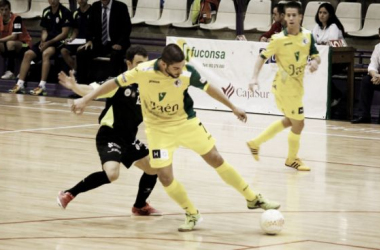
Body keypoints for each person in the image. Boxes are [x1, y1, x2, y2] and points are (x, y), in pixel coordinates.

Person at [70, 43, 280, 232]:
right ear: (163, 64)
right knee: (164, 176)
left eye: (182, 67)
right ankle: (191, 213)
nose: (180, 72)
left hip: (185, 123)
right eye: (175, 69)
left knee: (215, 158)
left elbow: (210, 89)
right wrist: (86, 100)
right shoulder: (142, 71)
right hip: (158, 129)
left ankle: (253, 198)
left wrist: (233, 107)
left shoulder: (187, 73)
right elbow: (113, 84)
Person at [57, 46, 162, 216]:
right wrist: (75, 87)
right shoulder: (119, 82)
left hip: (129, 138)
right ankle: (69, 193)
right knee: (112, 174)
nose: (143, 67)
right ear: (129, 63)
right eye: (139, 64)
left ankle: (140, 206)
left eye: (146, 63)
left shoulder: (149, 85)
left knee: (153, 168)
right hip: (110, 135)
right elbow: (93, 91)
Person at [247, 1, 321, 171]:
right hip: (284, 87)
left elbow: (316, 55)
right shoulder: (278, 39)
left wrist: (315, 62)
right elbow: (261, 57)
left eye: (294, 15)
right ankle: (292, 159)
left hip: (297, 86)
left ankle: (255, 143)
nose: (291, 18)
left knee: (290, 121)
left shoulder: (308, 36)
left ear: (301, 17)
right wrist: (254, 77)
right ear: (285, 17)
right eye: (288, 15)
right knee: (299, 123)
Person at [8, 0, 72, 96]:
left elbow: (64, 34)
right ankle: (20, 84)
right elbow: (44, 30)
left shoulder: (65, 12)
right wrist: (43, 41)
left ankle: (42, 86)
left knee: (46, 54)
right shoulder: (46, 11)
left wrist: (48, 43)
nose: (53, 1)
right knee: (28, 54)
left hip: (58, 42)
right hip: (47, 41)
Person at [75, 0, 131, 84]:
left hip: (117, 42)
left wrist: (120, 43)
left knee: (116, 54)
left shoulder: (121, 6)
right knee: (81, 53)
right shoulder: (95, 6)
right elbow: (90, 26)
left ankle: (112, 86)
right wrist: (89, 40)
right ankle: (82, 85)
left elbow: (127, 28)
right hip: (100, 43)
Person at [312, 2, 345, 107]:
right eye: (320, 12)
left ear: (330, 15)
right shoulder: (317, 27)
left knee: (322, 71)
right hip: (323, 58)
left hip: (339, 59)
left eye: (324, 13)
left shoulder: (334, 26)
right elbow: (312, 42)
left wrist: (321, 43)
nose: (321, 15)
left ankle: (336, 95)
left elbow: (331, 42)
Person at [351, 28, 380, 124]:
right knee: (366, 80)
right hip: (378, 77)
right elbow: (372, 65)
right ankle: (364, 115)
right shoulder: (378, 47)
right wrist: (375, 75)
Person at [0, 0, 32, 80]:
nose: (4, 12)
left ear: (10, 10)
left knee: (10, 43)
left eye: (6, 9)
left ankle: (10, 71)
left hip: (25, 44)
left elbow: (14, 37)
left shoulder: (16, 18)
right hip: (8, 46)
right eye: (2, 9)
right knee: (7, 44)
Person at [60, 0, 92, 72]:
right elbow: (75, 30)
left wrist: (91, 40)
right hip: (78, 40)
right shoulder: (75, 13)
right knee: (63, 50)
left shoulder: (93, 11)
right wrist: (71, 38)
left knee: (79, 51)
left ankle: (76, 73)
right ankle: (76, 70)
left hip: (89, 40)